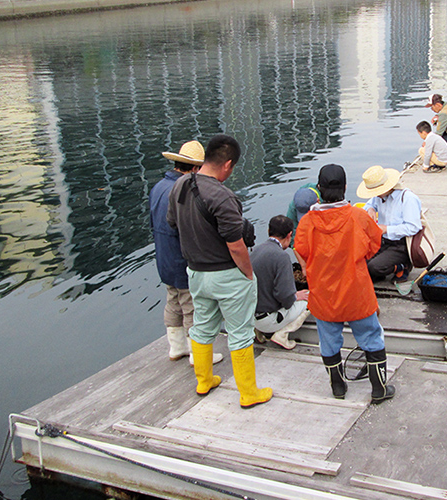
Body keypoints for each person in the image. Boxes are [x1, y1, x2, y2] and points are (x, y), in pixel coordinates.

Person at [166, 134, 272, 409]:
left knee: (202, 328)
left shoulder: (178, 186)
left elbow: (172, 225)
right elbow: (236, 244)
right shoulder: (223, 196)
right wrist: (248, 274)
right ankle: (248, 392)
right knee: (240, 333)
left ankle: (204, 380)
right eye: (232, 167)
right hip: (227, 275)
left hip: (196, 274)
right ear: (227, 164)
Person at [294, 164, 395, 403]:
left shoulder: (307, 222)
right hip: (356, 289)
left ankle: (338, 387)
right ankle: (379, 389)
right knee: (371, 336)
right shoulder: (358, 217)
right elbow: (374, 246)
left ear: (319, 189)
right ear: (345, 187)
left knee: (328, 341)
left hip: (323, 292)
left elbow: (301, 251)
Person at [151, 141, 222, 366]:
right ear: (194, 168)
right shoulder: (184, 190)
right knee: (193, 305)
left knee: (172, 300)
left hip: (163, 257)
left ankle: (177, 347)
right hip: (183, 257)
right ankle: (197, 354)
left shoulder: (158, 187)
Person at [252, 215, 311, 350]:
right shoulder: (281, 257)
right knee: (310, 299)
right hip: (267, 319)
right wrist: (296, 295)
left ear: (268, 231)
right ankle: (282, 334)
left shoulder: (256, 250)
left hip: (251, 316)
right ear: (290, 235)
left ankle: (258, 332)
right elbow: (285, 297)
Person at [356, 165, 422, 282]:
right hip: (382, 241)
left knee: (374, 267)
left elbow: (414, 227)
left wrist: (387, 229)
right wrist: (370, 209)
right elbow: (370, 204)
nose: (375, 194)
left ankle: (403, 266)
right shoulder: (378, 197)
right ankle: (381, 269)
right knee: (359, 265)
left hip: (401, 245)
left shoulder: (407, 198)